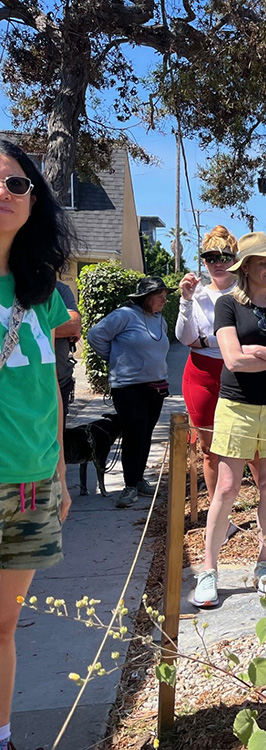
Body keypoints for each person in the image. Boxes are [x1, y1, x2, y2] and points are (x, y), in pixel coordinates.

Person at [191, 232, 266, 608]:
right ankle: (209, 571)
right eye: (264, 262)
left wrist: (258, 349)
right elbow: (233, 361)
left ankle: (264, 565)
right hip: (237, 405)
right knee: (226, 487)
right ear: (246, 268)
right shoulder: (227, 305)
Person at [0, 138, 73, 750]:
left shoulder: (41, 292)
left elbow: (50, 388)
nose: (4, 191)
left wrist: (58, 473)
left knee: (3, 626)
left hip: (28, 483)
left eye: (16, 184)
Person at [175, 228, 266, 548]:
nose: (216, 263)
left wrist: (255, 352)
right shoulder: (198, 293)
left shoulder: (251, 294)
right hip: (204, 372)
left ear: (237, 262)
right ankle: (222, 520)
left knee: (260, 450)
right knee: (211, 450)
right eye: (210, 257)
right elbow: (186, 338)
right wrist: (186, 302)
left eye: (223, 257)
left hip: (245, 377)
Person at [87, 277, 172, 509]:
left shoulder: (160, 320)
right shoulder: (124, 315)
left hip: (156, 386)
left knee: (146, 433)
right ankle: (129, 486)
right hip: (128, 386)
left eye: (165, 294)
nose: (164, 299)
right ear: (145, 297)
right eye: (159, 294)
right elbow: (95, 336)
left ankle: (139, 479)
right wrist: (115, 359)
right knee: (134, 431)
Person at [53, 280, 81, 424]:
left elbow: (73, 325)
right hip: (14, 388)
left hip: (59, 382)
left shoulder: (58, 288)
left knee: (57, 442)